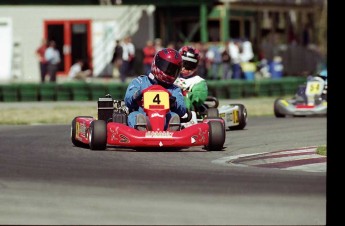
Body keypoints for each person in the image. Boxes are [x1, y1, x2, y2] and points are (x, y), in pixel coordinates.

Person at [124, 48, 186, 131]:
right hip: (143, 115)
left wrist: (174, 103)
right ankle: (141, 129)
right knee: (134, 115)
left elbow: (182, 109)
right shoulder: (140, 81)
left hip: (164, 119)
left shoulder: (174, 89)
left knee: (174, 115)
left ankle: (171, 131)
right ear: (157, 64)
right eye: (167, 68)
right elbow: (128, 99)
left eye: (174, 70)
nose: (170, 72)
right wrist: (137, 95)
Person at [174, 45, 208, 112]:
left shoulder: (199, 81)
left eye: (189, 65)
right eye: (184, 64)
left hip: (188, 112)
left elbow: (198, 99)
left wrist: (185, 93)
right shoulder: (170, 76)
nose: (185, 68)